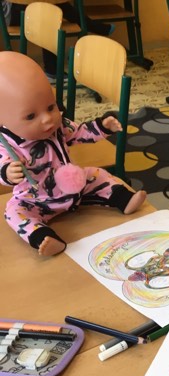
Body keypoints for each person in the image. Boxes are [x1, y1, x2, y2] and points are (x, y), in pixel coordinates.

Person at [0, 52, 146, 256]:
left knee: (96, 174)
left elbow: (80, 133)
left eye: (50, 107)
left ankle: (123, 198)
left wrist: (102, 127)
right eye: (31, 116)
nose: (47, 119)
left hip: (72, 186)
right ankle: (43, 236)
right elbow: (2, 165)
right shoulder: (6, 145)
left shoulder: (58, 125)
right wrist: (8, 172)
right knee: (13, 213)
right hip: (35, 200)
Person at [3, 0, 114, 83]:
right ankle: (93, 26)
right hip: (9, 12)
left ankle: (52, 69)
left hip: (16, 9)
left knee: (48, 8)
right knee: (49, 6)